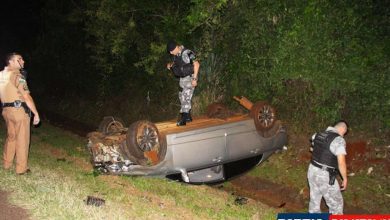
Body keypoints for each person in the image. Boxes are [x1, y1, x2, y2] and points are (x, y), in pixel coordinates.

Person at [0, 52, 40, 175]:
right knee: (22, 139)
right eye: (19, 59)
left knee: (11, 137)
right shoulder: (17, 76)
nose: (23, 61)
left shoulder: (1, 75)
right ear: (11, 62)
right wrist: (36, 114)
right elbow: (26, 96)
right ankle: (21, 169)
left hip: (6, 111)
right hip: (19, 111)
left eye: (22, 59)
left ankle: (6, 163)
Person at [307, 120, 348, 214]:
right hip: (324, 175)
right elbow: (341, 162)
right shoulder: (338, 140)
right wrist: (344, 178)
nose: (343, 135)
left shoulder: (317, 134)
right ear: (343, 128)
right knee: (336, 205)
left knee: (314, 201)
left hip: (312, 170)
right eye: (344, 133)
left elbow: (312, 149)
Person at [166, 41, 200, 126]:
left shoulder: (188, 52)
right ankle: (188, 117)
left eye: (171, 50)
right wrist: (170, 65)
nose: (170, 53)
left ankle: (183, 119)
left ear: (176, 47)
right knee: (182, 96)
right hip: (183, 80)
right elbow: (176, 63)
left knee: (185, 96)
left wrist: (195, 79)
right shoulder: (176, 55)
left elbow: (196, 64)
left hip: (190, 78)